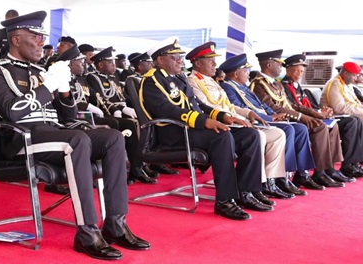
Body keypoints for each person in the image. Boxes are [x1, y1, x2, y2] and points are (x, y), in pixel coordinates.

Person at [0, 10, 150, 260]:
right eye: (35, 36)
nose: (42, 42)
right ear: (16, 39)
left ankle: (116, 223)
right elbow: (11, 112)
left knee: (113, 136)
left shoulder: (41, 71)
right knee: (77, 139)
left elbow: (68, 116)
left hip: (55, 134)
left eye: (42, 36)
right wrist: (46, 87)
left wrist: (63, 92)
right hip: (22, 140)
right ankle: (87, 231)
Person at [138, 38, 264, 220]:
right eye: (175, 57)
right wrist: (204, 121)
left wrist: (223, 116)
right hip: (174, 134)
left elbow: (198, 105)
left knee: (249, 135)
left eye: (180, 56)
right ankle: (225, 201)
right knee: (222, 137)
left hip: (193, 128)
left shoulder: (179, 78)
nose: (180, 60)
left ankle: (246, 192)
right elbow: (166, 110)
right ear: (160, 60)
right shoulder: (152, 81)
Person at [186, 42, 288, 206]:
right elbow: (207, 108)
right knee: (256, 135)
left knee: (276, 134)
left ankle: (264, 184)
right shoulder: (193, 82)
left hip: (231, 120)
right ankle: (249, 189)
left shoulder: (212, 81)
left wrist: (248, 113)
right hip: (218, 123)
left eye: (214, 60)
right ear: (198, 63)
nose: (214, 64)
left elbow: (228, 105)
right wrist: (231, 117)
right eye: (210, 60)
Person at [218, 54, 323, 193]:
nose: (248, 73)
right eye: (245, 70)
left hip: (262, 119)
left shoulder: (243, 87)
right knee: (288, 129)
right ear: (236, 73)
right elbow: (238, 107)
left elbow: (262, 105)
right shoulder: (228, 87)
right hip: (251, 122)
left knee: (300, 129)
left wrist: (272, 116)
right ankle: (277, 178)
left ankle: (300, 174)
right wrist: (268, 118)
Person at [250, 49, 350, 187]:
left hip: (288, 117)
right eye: (278, 64)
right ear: (269, 65)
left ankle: (327, 169)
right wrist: (301, 117)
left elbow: (291, 105)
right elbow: (272, 107)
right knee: (317, 127)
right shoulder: (258, 84)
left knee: (329, 125)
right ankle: (314, 173)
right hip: (277, 119)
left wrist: (314, 113)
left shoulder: (276, 84)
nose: (281, 67)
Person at [86, 46, 156, 184]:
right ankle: (135, 168)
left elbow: (123, 96)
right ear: (100, 64)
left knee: (143, 120)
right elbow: (99, 99)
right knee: (130, 124)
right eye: (110, 62)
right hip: (107, 113)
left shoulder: (113, 77)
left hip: (119, 111)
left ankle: (142, 165)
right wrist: (119, 109)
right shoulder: (92, 77)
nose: (114, 65)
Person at [290, 58, 363, 179]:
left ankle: (354, 162)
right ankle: (347, 165)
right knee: (352, 122)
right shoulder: (335, 84)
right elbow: (339, 108)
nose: (355, 78)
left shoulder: (347, 85)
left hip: (334, 115)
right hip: (333, 115)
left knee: (356, 121)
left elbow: (354, 103)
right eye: (354, 75)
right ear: (345, 73)